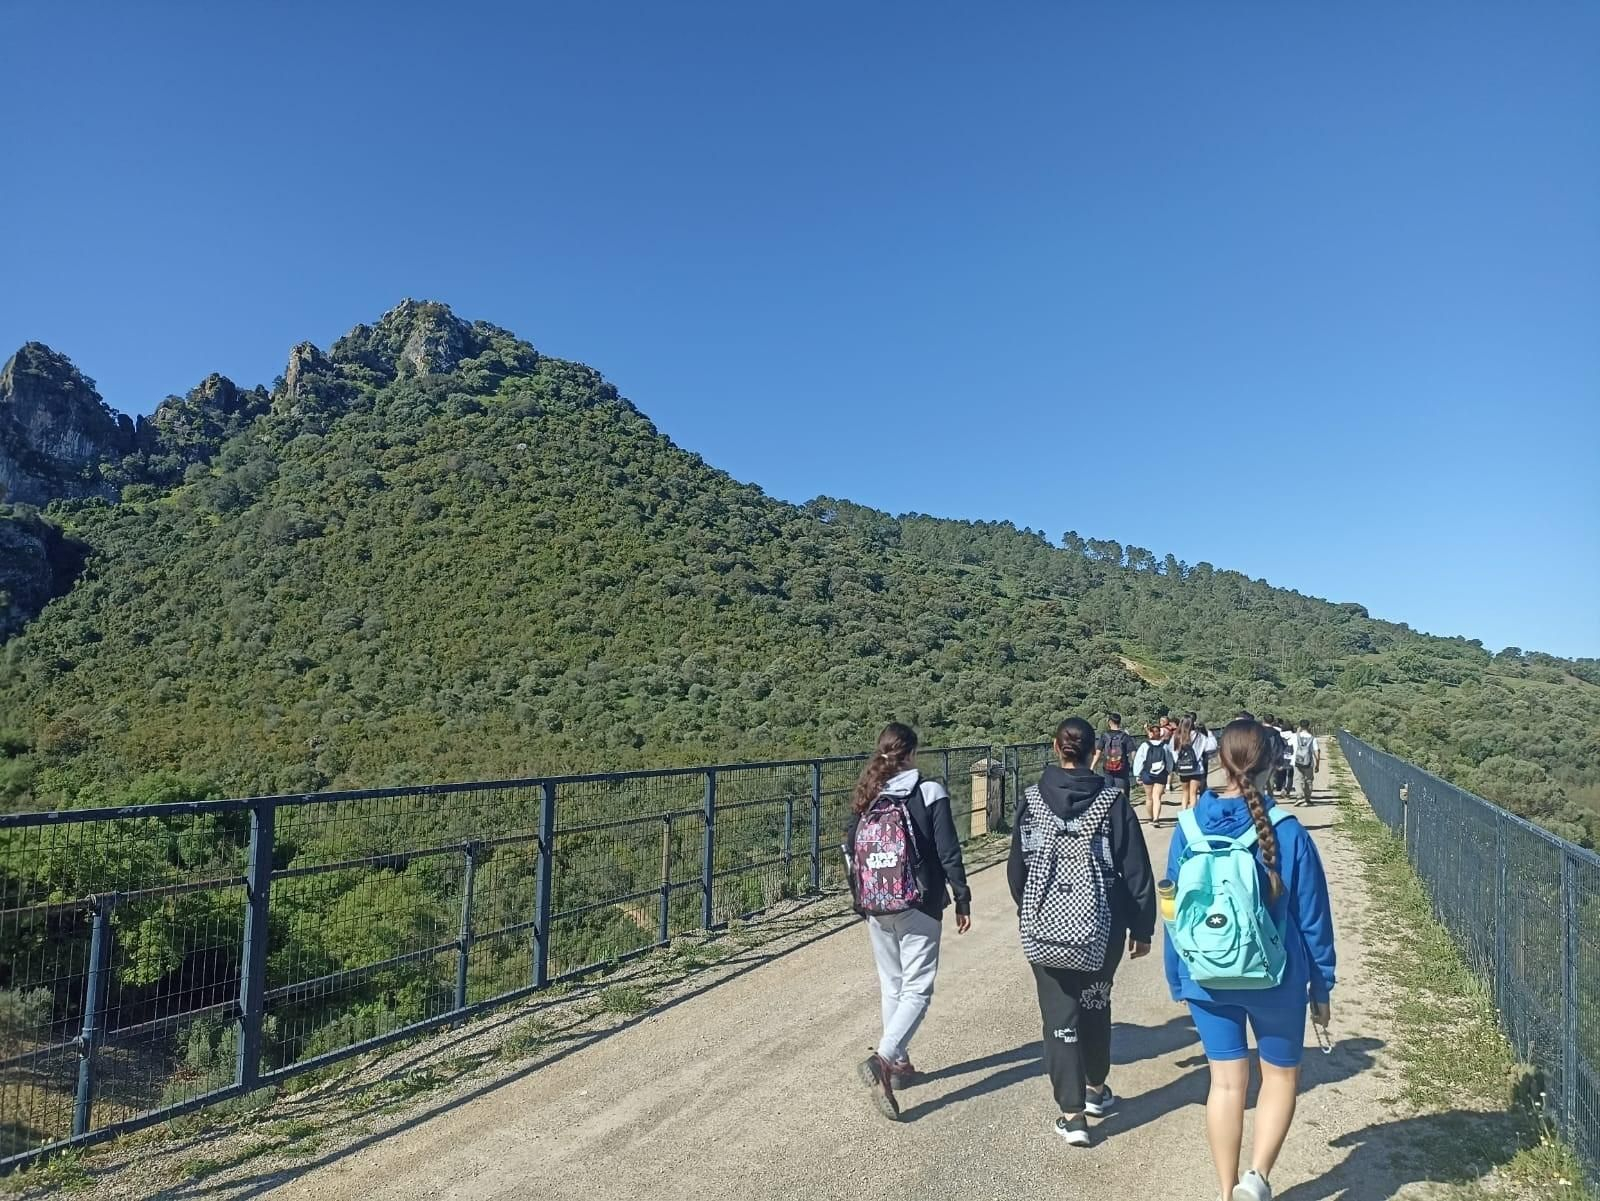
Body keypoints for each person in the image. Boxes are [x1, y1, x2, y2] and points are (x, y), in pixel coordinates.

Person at [1164, 720, 1337, 1201]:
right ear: (1272, 765)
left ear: (1219, 761)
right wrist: (1321, 987)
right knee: (1279, 1077)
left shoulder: (1187, 826)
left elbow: (1172, 908)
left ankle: (1224, 1192)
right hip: (1276, 980)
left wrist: (1178, 974)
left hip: (1207, 977)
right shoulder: (1289, 832)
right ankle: (1256, 1179)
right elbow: (1313, 919)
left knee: (1225, 1085)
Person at [1010, 716, 1155, 1148]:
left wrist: (1033, 909)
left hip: (1044, 925)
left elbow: (1018, 868)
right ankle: (1095, 1091)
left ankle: (1072, 1115)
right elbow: (1136, 872)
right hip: (1101, 923)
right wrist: (1141, 927)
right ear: (1095, 752)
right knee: (1095, 1003)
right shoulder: (1113, 803)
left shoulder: (1032, 800)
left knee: (1059, 1016)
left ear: (1057, 748)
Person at [846, 721, 973, 1120]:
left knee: (893, 985)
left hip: (875, 905)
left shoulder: (868, 796)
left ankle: (899, 1064)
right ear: (913, 753)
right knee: (917, 988)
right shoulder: (928, 791)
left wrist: (863, 898)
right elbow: (948, 850)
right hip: (919, 902)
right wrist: (962, 896)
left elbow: (850, 851)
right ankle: (883, 1060)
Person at [1133, 722, 1174, 827]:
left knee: (1149, 797)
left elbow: (1139, 760)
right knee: (1157, 797)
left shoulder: (1144, 745)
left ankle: (1150, 818)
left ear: (1150, 734)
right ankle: (1156, 819)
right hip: (1161, 774)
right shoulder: (1165, 746)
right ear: (1160, 734)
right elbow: (1169, 761)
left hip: (1147, 774)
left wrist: (1137, 774)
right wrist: (1169, 771)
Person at [1171, 715, 1216, 811]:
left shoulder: (1177, 736)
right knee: (1193, 794)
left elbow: (1173, 751)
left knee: (1185, 793)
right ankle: (1192, 814)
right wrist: (1209, 734)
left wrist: (1178, 763)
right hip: (1196, 768)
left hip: (1183, 768)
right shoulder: (1199, 736)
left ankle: (1184, 813)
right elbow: (1211, 747)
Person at [1090, 712, 1134, 801]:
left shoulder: (1104, 736)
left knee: (1108, 791)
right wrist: (1133, 764)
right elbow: (1132, 752)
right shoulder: (1125, 736)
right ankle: (1122, 809)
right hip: (1122, 767)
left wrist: (1092, 767)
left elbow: (1098, 752)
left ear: (1109, 722)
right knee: (1122, 791)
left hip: (1108, 768)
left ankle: (1110, 809)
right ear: (1120, 722)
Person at [1291, 720, 1320, 806]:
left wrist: (1297, 732)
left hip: (1296, 762)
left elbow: (1289, 744)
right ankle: (1307, 799)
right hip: (1309, 762)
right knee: (1309, 780)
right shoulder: (1313, 738)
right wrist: (1317, 764)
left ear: (1299, 726)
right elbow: (1316, 752)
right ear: (1308, 726)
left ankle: (1300, 797)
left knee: (1297, 779)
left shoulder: (1294, 737)